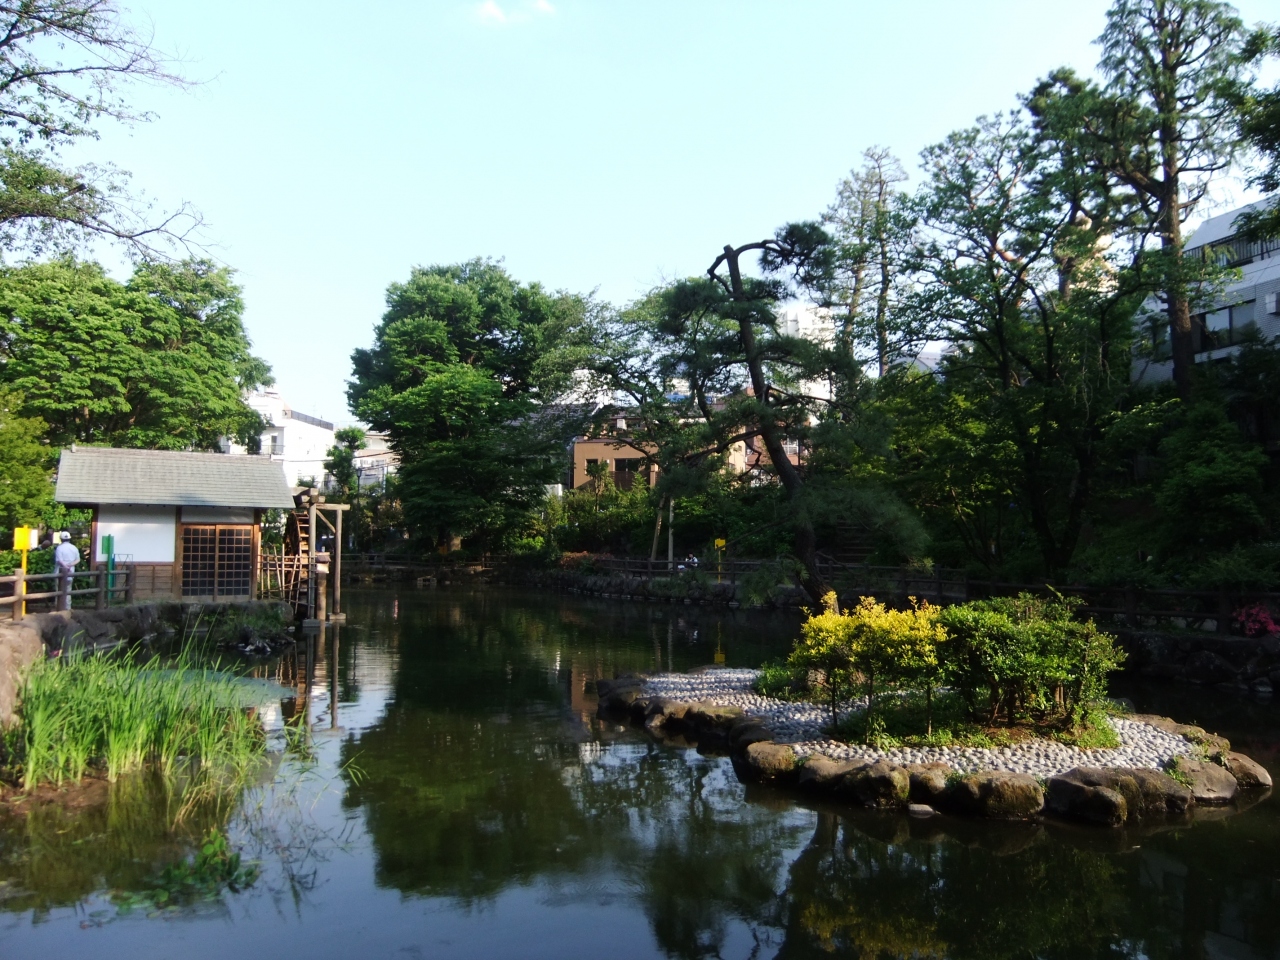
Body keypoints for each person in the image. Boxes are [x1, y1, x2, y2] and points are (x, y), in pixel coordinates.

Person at [54, 532, 80, 611]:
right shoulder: (74, 547)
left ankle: (59, 608)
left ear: (61, 539)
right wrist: (70, 565)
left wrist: (65, 567)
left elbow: (59, 560)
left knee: (58, 591)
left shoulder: (59, 548)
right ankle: (68, 608)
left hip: (59, 572)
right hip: (70, 572)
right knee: (68, 591)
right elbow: (78, 559)